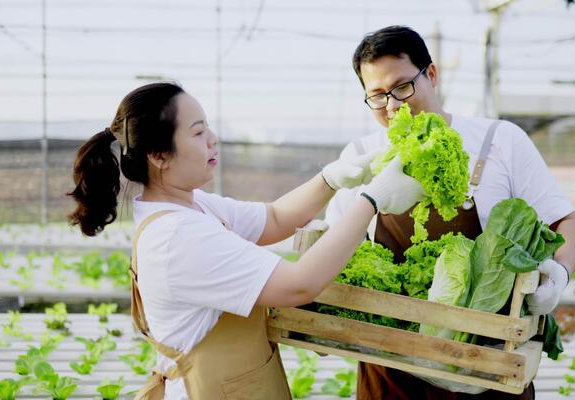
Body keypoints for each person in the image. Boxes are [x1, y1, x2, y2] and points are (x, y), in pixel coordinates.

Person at [66, 82, 425, 400]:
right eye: (197, 132)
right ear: (159, 156)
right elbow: (299, 286)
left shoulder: (193, 206)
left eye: (208, 127)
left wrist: (331, 179)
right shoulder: (177, 236)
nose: (213, 138)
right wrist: (371, 202)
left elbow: (274, 219)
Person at [324, 26, 575, 400]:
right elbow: (329, 250)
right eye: (378, 96)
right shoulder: (361, 156)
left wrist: (560, 273)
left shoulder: (498, 141)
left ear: (431, 75)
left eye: (403, 87)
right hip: (392, 373)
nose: (394, 105)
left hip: (489, 368)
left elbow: (570, 227)